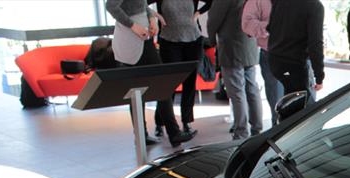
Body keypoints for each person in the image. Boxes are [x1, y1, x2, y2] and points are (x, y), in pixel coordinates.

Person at [105, 0, 196, 147]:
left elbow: (142, 5)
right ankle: (142, 135)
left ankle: (174, 133)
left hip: (145, 39)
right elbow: (111, 6)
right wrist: (133, 25)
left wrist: (152, 18)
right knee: (136, 91)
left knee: (162, 84)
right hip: (129, 42)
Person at [149, 0, 208, 135]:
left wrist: (198, 13)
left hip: (193, 40)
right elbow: (141, 4)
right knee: (169, 84)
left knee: (190, 83)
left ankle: (187, 122)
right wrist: (155, 16)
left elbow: (211, 2)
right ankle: (160, 122)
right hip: (169, 41)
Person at [207, 0, 263, 139]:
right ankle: (257, 128)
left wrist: (211, 40)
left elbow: (214, 20)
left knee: (237, 92)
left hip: (232, 47)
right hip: (250, 45)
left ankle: (241, 132)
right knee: (252, 89)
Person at [267, 0, 324, 96]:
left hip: (274, 61)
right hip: (293, 64)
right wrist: (319, 77)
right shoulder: (315, 6)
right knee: (300, 100)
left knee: (291, 95)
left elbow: (269, 27)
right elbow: (315, 44)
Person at [241, 0, 283, 123]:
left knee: (307, 106)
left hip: (302, 55)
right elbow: (247, 23)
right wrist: (272, 27)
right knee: (278, 107)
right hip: (273, 55)